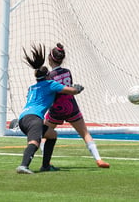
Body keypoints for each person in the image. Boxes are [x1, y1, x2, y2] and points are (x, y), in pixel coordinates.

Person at [16, 43, 84, 174]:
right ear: (48, 75)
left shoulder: (32, 88)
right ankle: (23, 166)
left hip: (23, 118)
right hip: (34, 119)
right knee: (35, 142)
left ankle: (46, 166)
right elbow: (71, 91)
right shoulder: (50, 84)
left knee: (52, 135)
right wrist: (78, 88)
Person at [41, 43, 110, 169]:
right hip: (71, 106)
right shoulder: (67, 72)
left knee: (44, 134)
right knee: (85, 133)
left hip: (57, 108)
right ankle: (98, 159)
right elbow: (69, 88)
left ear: (49, 59)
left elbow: (51, 92)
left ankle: (47, 161)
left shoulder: (49, 76)